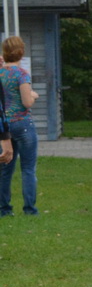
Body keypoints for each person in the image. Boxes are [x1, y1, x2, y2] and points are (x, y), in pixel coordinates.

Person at [0, 36, 40, 216]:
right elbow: (27, 102)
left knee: (5, 168)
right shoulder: (21, 74)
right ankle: (30, 209)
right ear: (21, 52)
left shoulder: (1, 73)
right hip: (23, 124)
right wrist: (34, 95)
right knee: (28, 169)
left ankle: (4, 209)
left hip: (4, 126)